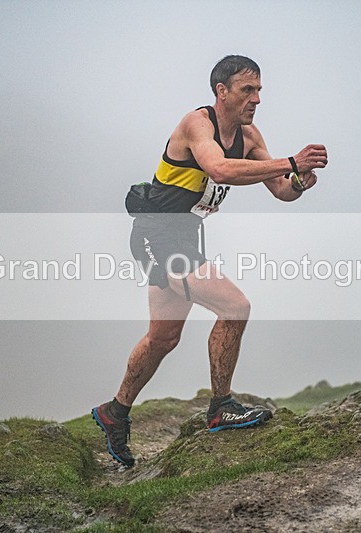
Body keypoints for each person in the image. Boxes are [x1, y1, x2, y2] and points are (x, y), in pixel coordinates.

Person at [92, 55, 328, 467]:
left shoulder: (250, 136)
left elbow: (281, 191)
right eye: (246, 90)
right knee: (235, 306)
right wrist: (291, 161)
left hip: (185, 236)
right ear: (222, 92)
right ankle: (220, 406)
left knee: (163, 338)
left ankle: (115, 413)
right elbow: (218, 170)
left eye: (258, 91)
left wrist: (299, 183)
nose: (255, 99)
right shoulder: (196, 124)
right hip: (157, 233)